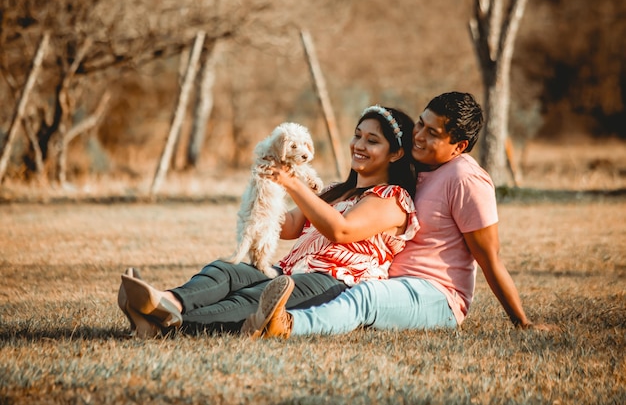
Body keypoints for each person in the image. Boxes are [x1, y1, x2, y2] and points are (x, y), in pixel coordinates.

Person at [243, 91, 553, 339]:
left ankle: (287, 325)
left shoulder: (466, 179)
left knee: (367, 296)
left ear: (458, 146)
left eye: (433, 133)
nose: (418, 135)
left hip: (436, 295)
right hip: (389, 281)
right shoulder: (416, 169)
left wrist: (521, 321)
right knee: (361, 289)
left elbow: (490, 258)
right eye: (421, 123)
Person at [117, 105, 419, 337]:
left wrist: (292, 183)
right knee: (229, 270)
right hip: (289, 269)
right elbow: (287, 227)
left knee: (254, 299)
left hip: (333, 283)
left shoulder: (393, 199)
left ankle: (165, 326)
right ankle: (166, 302)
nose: (359, 145)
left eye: (372, 140)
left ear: (396, 153)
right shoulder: (334, 192)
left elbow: (341, 230)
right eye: (357, 135)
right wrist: (263, 193)